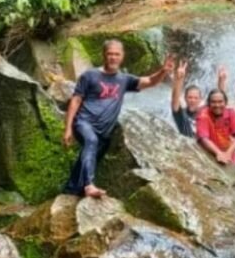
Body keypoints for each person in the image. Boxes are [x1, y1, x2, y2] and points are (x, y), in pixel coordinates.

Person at [63, 41, 173, 198]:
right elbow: (76, 100)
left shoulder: (124, 79)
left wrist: (163, 71)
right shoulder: (90, 76)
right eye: (110, 54)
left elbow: (149, 81)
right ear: (104, 55)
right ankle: (89, 186)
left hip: (104, 131)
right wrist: (68, 128)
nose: (113, 57)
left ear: (122, 56)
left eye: (117, 54)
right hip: (84, 122)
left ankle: (71, 189)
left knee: (90, 154)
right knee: (91, 141)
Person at [171, 62, 227, 137]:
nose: (192, 100)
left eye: (195, 98)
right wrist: (179, 79)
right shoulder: (181, 115)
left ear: (200, 100)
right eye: (190, 97)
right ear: (185, 98)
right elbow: (175, 99)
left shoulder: (206, 112)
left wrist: (221, 81)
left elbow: (220, 102)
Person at [196, 88, 235, 166]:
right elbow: (203, 139)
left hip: (229, 155)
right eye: (213, 102)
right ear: (208, 104)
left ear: (225, 103)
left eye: (220, 102)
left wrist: (228, 153)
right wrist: (219, 153)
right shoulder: (203, 115)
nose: (217, 105)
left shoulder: (230, 112)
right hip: (209, 155)